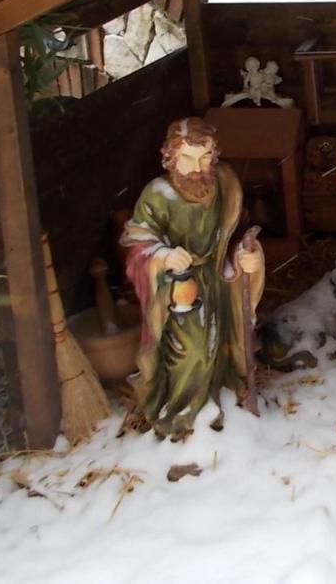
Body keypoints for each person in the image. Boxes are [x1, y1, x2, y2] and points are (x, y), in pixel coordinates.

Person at [121, 117, 265, 438]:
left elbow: (235, 231)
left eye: (205, 157)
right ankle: (181, 413)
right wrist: (163, 256)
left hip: (217, 281)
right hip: (179, 286)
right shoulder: (157, 195)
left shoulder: (224, 183)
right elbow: (136, 243)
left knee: (222, 345)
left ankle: (218, 398)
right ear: (170, 157)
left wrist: (245, 255)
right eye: (187, 158)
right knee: (192, 352)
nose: (197, 168)